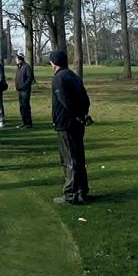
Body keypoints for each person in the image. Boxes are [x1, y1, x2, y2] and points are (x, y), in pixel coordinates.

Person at [49, 50, 90, 204]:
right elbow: (85, 99)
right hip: (78, 122)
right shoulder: (74, 76)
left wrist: (77, 115)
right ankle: (82, 191)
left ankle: (71, 194)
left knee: (69, 159)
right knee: (79, 157)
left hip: (66, 123)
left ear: (54, 63)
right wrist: (83, 115)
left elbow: (65, 101)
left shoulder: (58, 78)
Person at [14, 52, 35, 128]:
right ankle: (24, 122)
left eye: (17, 58)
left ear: (20, 59)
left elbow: (30, 78)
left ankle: (28, 123)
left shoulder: (26, 67)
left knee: (26, 106)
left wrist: (23, 86)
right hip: (19, 90)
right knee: (22, 107)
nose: (16, 60)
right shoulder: (19, 67)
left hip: (25, 91)